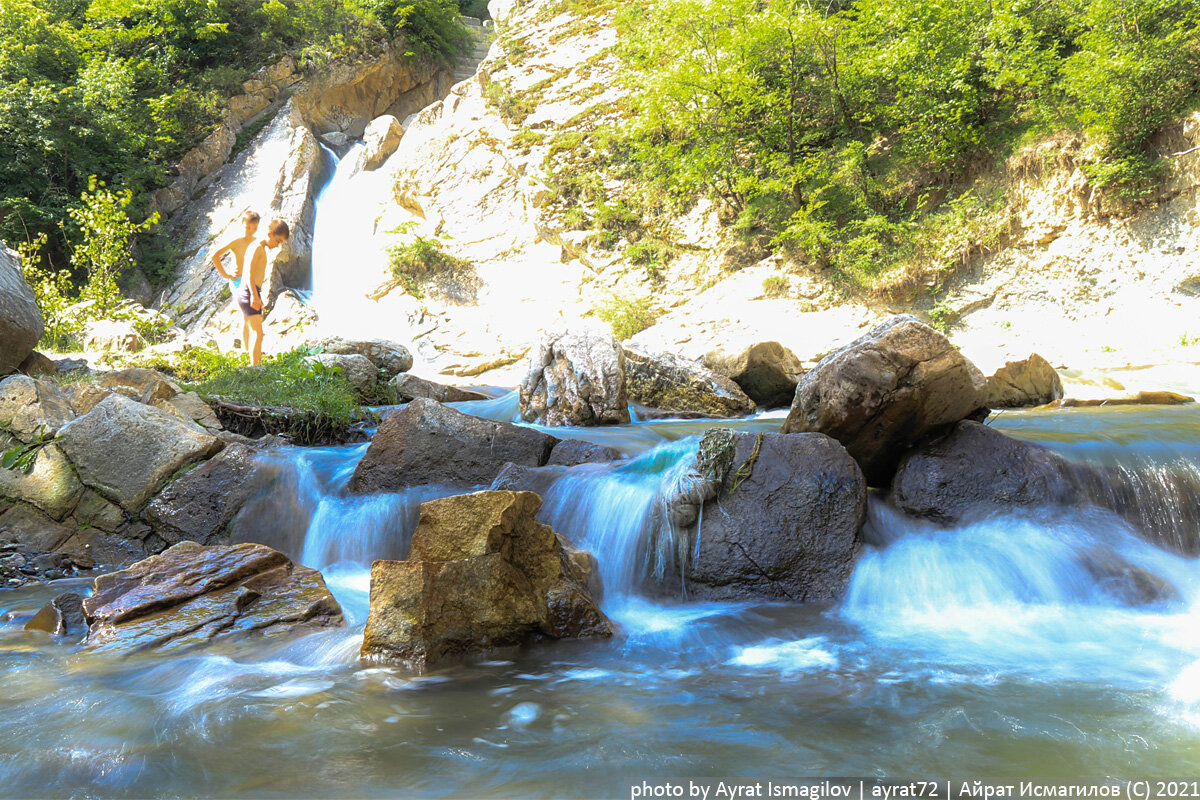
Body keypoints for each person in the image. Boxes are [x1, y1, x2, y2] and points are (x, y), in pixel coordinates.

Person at [238, 218, 290, 366]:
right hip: (249, 291)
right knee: (258, 333)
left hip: (246, 290)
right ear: (270, 233)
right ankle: (255, 367)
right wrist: (255, 296)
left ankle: (245, 358)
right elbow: (248, 272)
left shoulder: (257, 246)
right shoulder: (258, 248)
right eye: (278, 241)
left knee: (248, 325)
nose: (278, 245)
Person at [210, 210, 261, 350]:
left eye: (254, 228)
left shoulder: (257, 242)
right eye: (248, 227)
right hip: (237, 281)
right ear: (242, 224)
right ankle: (245, 350)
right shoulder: (236, 241)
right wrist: (226, 274)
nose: (251, 231)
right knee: (246, 314)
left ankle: (247, 346)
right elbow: (215, 256)